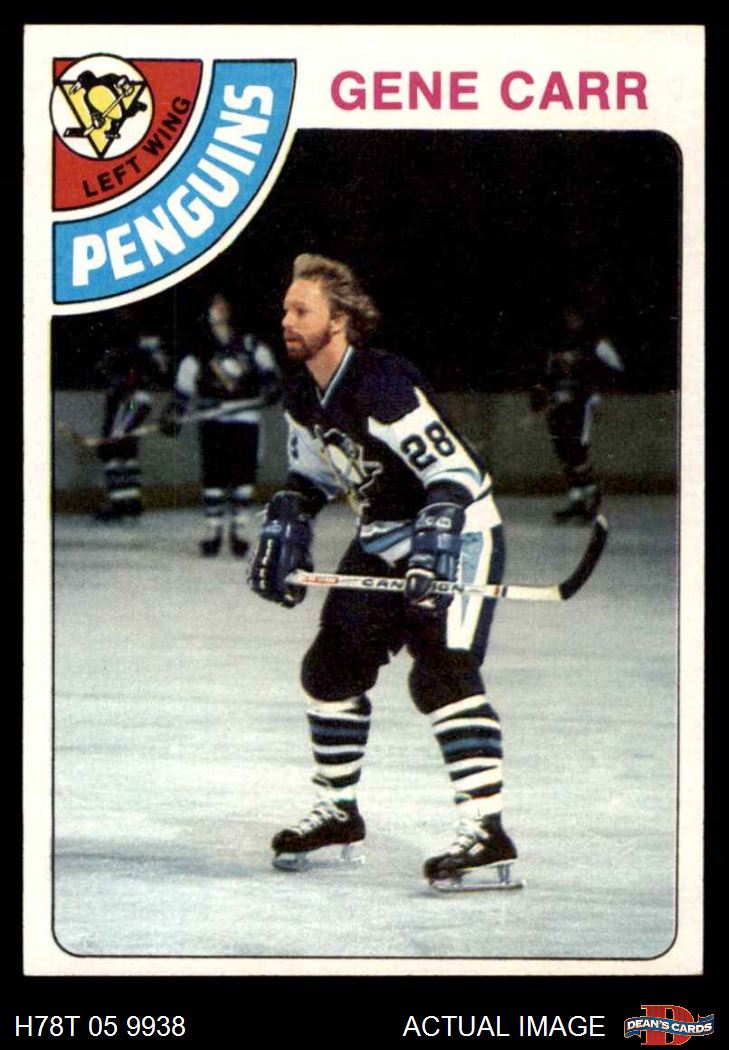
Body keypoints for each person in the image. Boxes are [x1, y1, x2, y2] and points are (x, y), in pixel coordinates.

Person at [248, 253, 519, 889]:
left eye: (301, 310)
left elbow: (453, 473)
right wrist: (289, 512)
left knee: (442, 673)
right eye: (285, 308)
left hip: (457, 532)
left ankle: (487, 831)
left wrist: (436, 538)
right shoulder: (303, 393)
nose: (286, 320)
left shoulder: (383, 383)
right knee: (330, 669)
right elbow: (312, 475)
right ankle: (339, 812)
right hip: (383, 536)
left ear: (339, 320)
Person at [161, 294, 282, 557]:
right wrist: (174, 412)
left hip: (245, 418)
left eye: (224, 304)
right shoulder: (200, 349)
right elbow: (185, 383)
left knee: (243, 475)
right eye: (215, 305)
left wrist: (272, 386)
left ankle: (239, 530)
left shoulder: (250, 345)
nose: (220, 310)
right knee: (214, 475)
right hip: (213, 418)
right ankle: (213, 530)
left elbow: (270, 374)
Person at [531, 305, 625, 524]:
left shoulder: (594, 342)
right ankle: (576, 502)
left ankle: (591, 497)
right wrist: (542, 398)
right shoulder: (558, 342)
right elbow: (547, 374)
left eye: (574, 316)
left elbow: (616, 367)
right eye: (568, 316)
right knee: (563, 453)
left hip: (580, 406)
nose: (571, 320)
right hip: (558, 405)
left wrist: (594, 393)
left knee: (577, 452)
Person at [94, 319, 169, 521]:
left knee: (113, 446)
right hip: (136, 401)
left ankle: (120, 503)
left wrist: (126, 389)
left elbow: (134, 375)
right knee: (126, 447)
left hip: (131, 401)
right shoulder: (146, 348)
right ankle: (130, 500)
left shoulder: (132, 349)